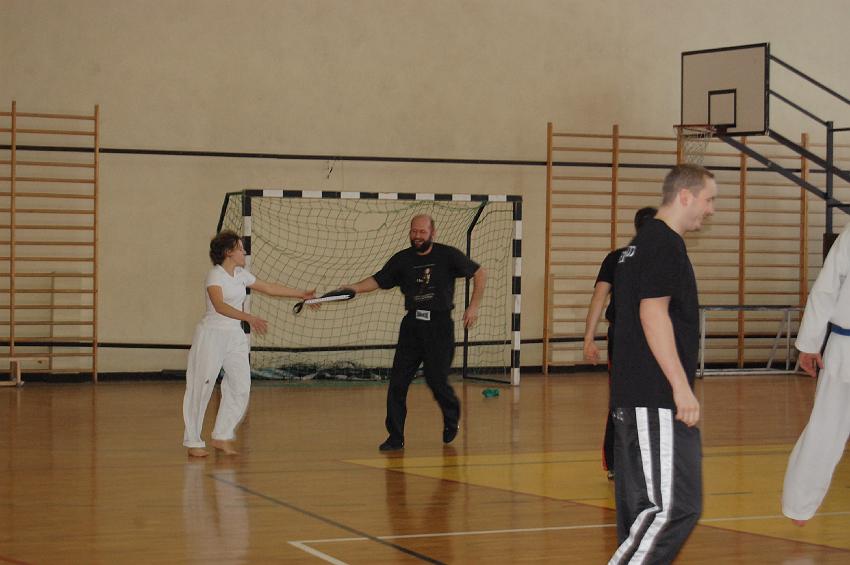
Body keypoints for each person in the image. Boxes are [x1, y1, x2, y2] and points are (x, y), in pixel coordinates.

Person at [608, 164, 717, 564]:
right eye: (708, 199)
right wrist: (680, 387)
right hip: (654, 398)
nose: (711, 209)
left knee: (641, 513)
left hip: (638, 397)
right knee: (675, 508)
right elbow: (652, 314)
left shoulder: (640, 245)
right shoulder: (663, 243)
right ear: (685, 196)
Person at [340, 214, 486, 451]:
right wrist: (354, 287)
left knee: (436, 381)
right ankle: (395, 437)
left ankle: (451, 417)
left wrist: (473, 306)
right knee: (397, 383)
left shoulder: (447, 255)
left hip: (439, 327)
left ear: (432, 233)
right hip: (412, 327)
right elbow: (378, 280)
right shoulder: (402, 260)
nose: (417, 236)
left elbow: (480, 273)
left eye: (422, 232)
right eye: (414, 231)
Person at [183, 230, 315, 457]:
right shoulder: (214, 276)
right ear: (228, 252)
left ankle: (222, 435)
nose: (244, 252)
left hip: (234, 336)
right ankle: (193, 440)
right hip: (211, 335)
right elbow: (219, 306)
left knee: (240, 385)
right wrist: (249, 318)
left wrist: (301, 294)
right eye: (240, 248)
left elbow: (270, 287)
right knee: (201, 386)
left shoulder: (241, 274)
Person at [782, 223, 850, 526]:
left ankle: (799, 506)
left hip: (844, 347)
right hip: (845, 344)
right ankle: (799, 504)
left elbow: (826, 288)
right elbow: (827, 288)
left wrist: (809, 343)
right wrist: (809, 344)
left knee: (826, 425)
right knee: (826, 425)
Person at [583, 206, 657, 480]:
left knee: (625, 398)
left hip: (631, 336)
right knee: (643, 398)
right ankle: (635, 460)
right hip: (643, 337)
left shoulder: (617, 257)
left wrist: (589, 338)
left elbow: (598, 298)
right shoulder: (661, 258)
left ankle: (622, 460)